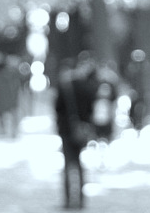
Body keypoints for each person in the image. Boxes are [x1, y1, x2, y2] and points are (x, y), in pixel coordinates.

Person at [54, 59, 99, 209]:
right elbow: (92, 109)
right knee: (79, 165)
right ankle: (80, 199)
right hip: (81, 130)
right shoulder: (88, 87)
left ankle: (68, 200)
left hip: (67, 131)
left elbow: (57, 109)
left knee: (68, 165)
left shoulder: (65, 86)